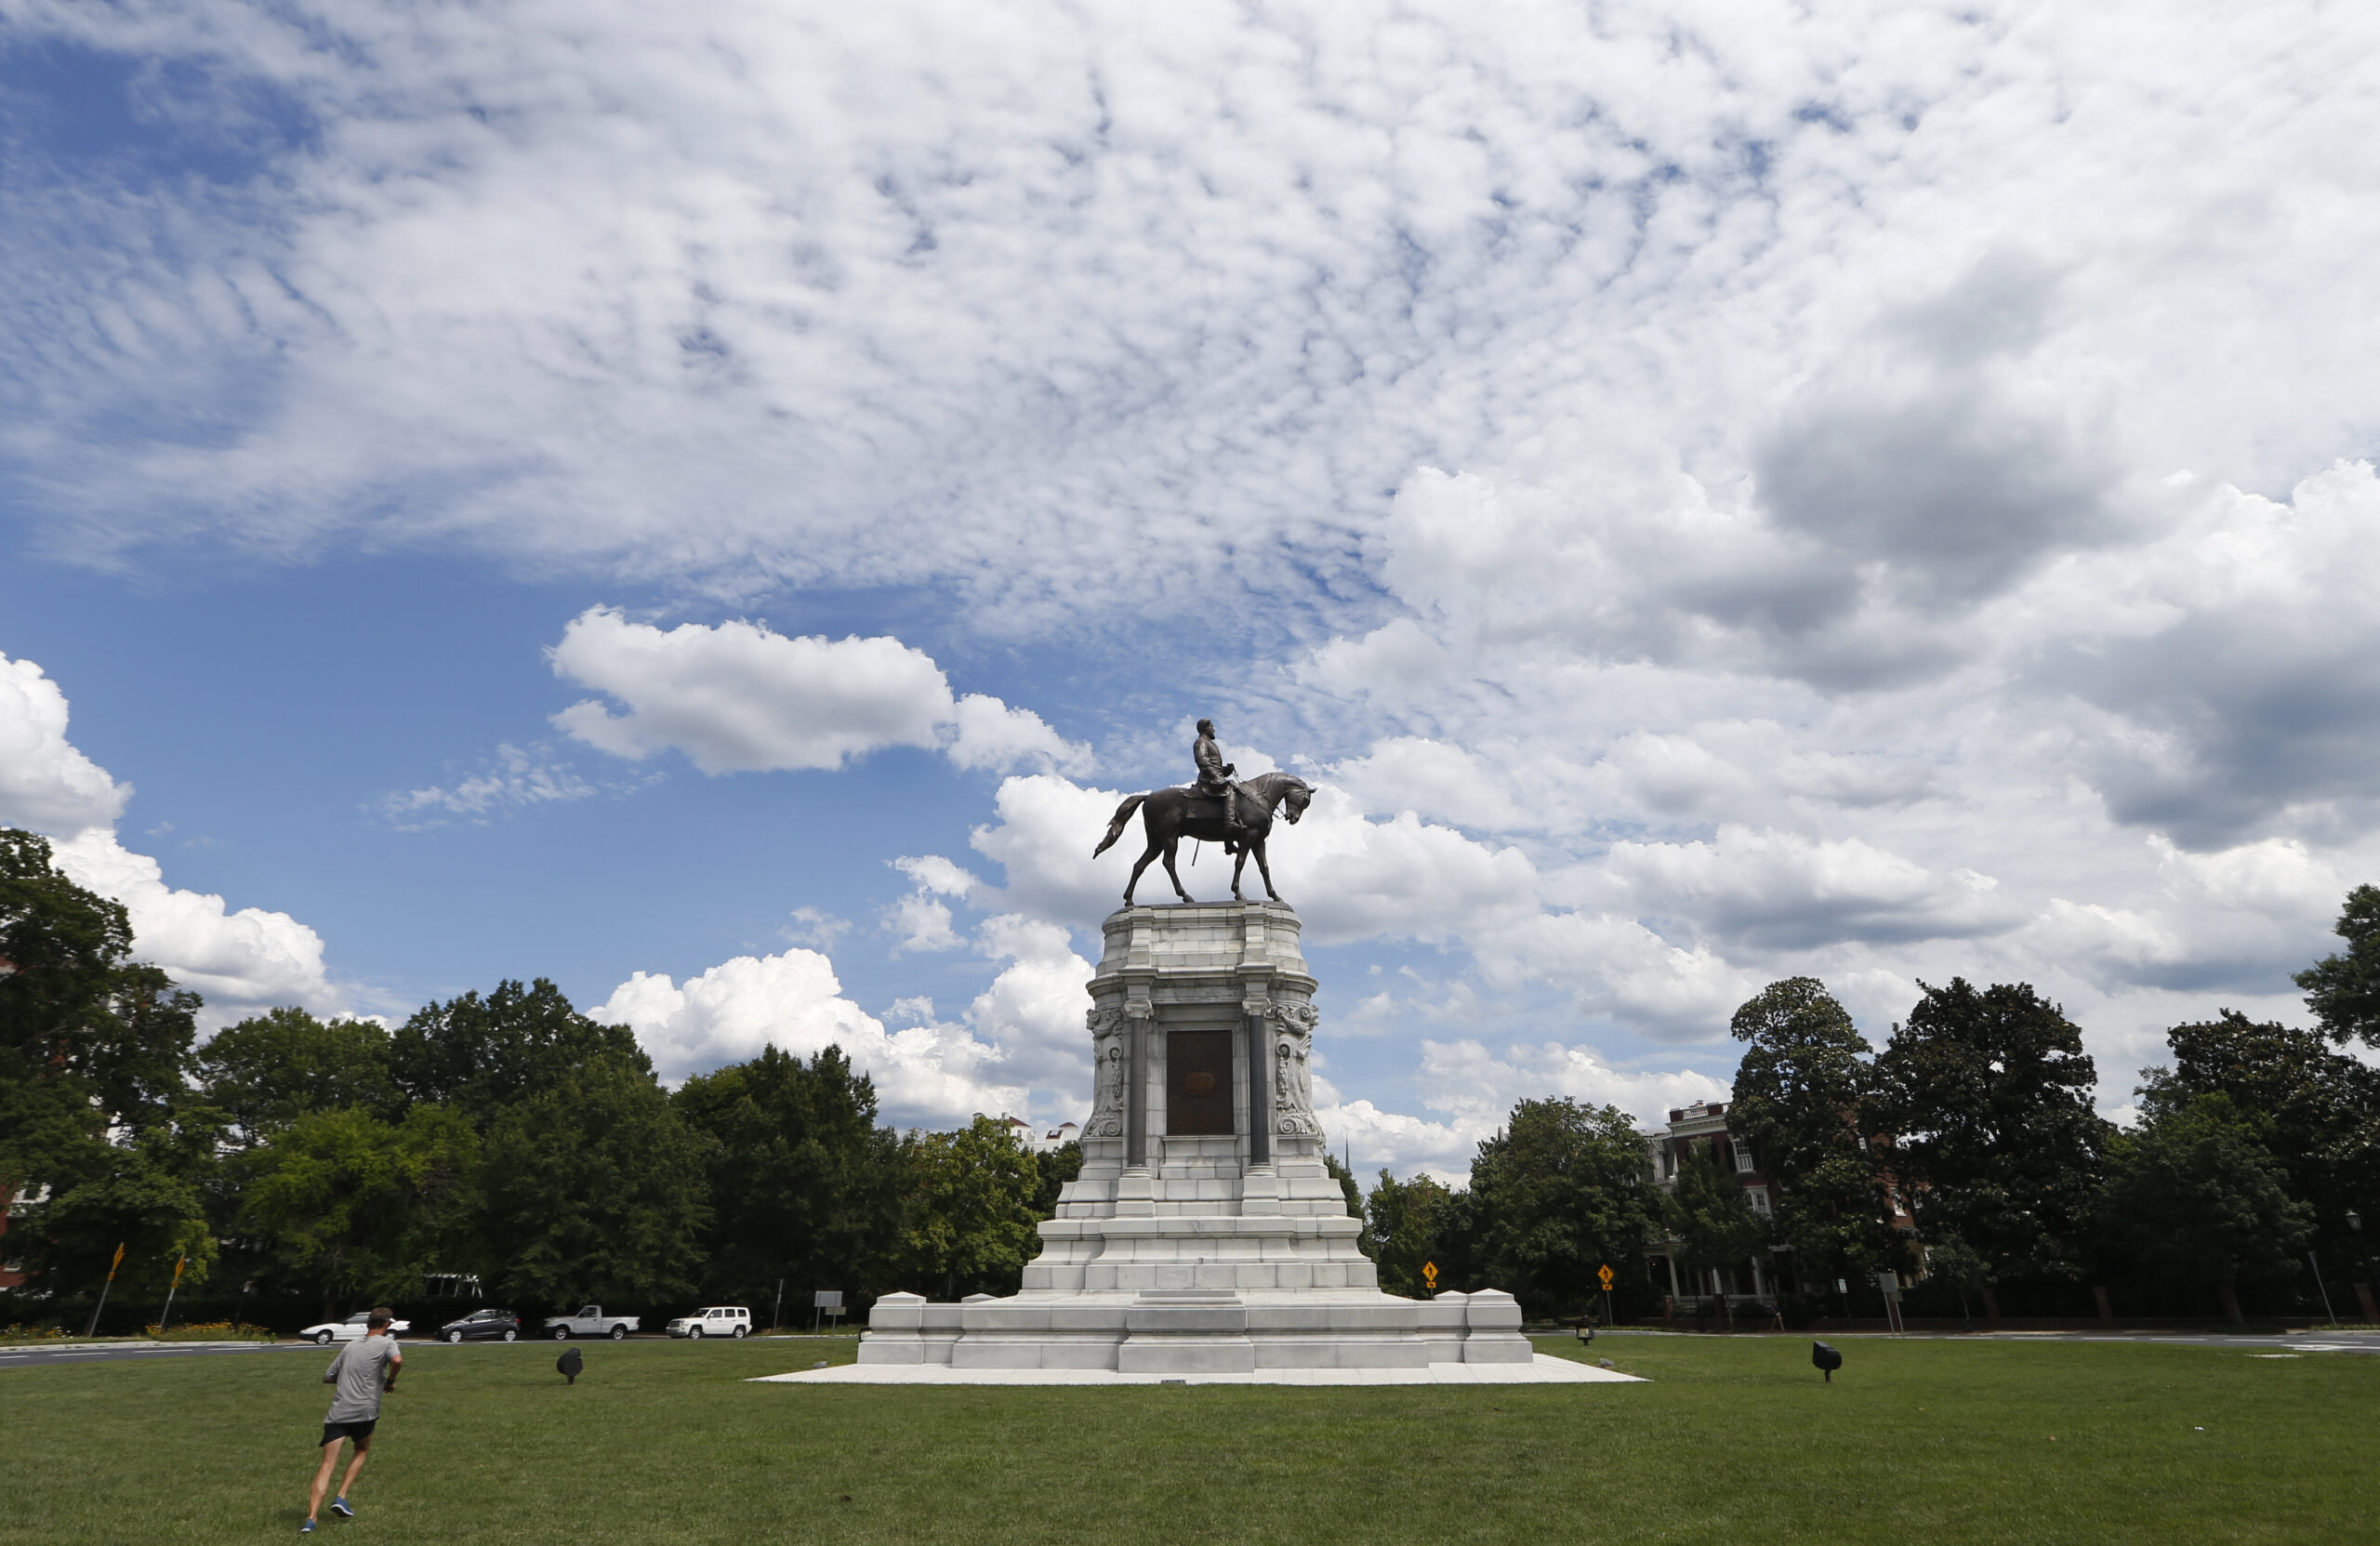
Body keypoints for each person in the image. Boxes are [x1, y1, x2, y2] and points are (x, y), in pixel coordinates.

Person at [303, 1307, 402, 1532]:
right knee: (362, 1450)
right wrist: (391, 1380)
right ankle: (341, 1496)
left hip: (339, 1412)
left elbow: (327, 1377)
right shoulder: (388, 1343)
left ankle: (311, 1519)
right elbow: (397, 1360)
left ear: (368, 1325)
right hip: (364, 1411)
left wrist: (348, 1375)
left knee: (326, 1465)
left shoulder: (350, 1346)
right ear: (386, 1324)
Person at [1192, 718, 1245, 844]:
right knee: (1231, 789)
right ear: (1205, 728)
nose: (1214, 729)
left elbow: (1215, 766)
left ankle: (1229, 841)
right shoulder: (1201, 742)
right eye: (1212, 726)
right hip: (1208, 779)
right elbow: (1202, 760)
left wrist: (1226, 770)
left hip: (1214, 776)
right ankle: (1229, 823)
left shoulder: (1209, 742)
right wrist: (1216, 776)